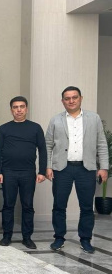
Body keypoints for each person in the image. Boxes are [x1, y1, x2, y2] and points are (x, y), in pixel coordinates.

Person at [45, 86, 109, 254]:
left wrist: (103, 167)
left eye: (74, 97)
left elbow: (101, 143)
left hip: (86, 168)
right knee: (59, 205)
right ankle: (59, 238)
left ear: (81, 98)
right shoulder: (55, 120)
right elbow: (48, 145)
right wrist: (48, 166)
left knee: (87, 206)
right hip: (62, 169)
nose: (71, 101)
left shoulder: (94, 118)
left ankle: (85, 239)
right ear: (62, 101)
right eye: (67, 98)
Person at [0, 96, 46, 249]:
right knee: (8, 205)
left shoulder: (35, 128)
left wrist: (42, 171)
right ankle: (7, 236)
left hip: (28, 173)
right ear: (11, 110)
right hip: (8, 172)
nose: (19, 110)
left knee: (28, 205)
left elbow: (43, 150)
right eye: (15, 107)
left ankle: (27, 237)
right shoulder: (3, 129)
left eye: (22, 106)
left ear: (26, 109)